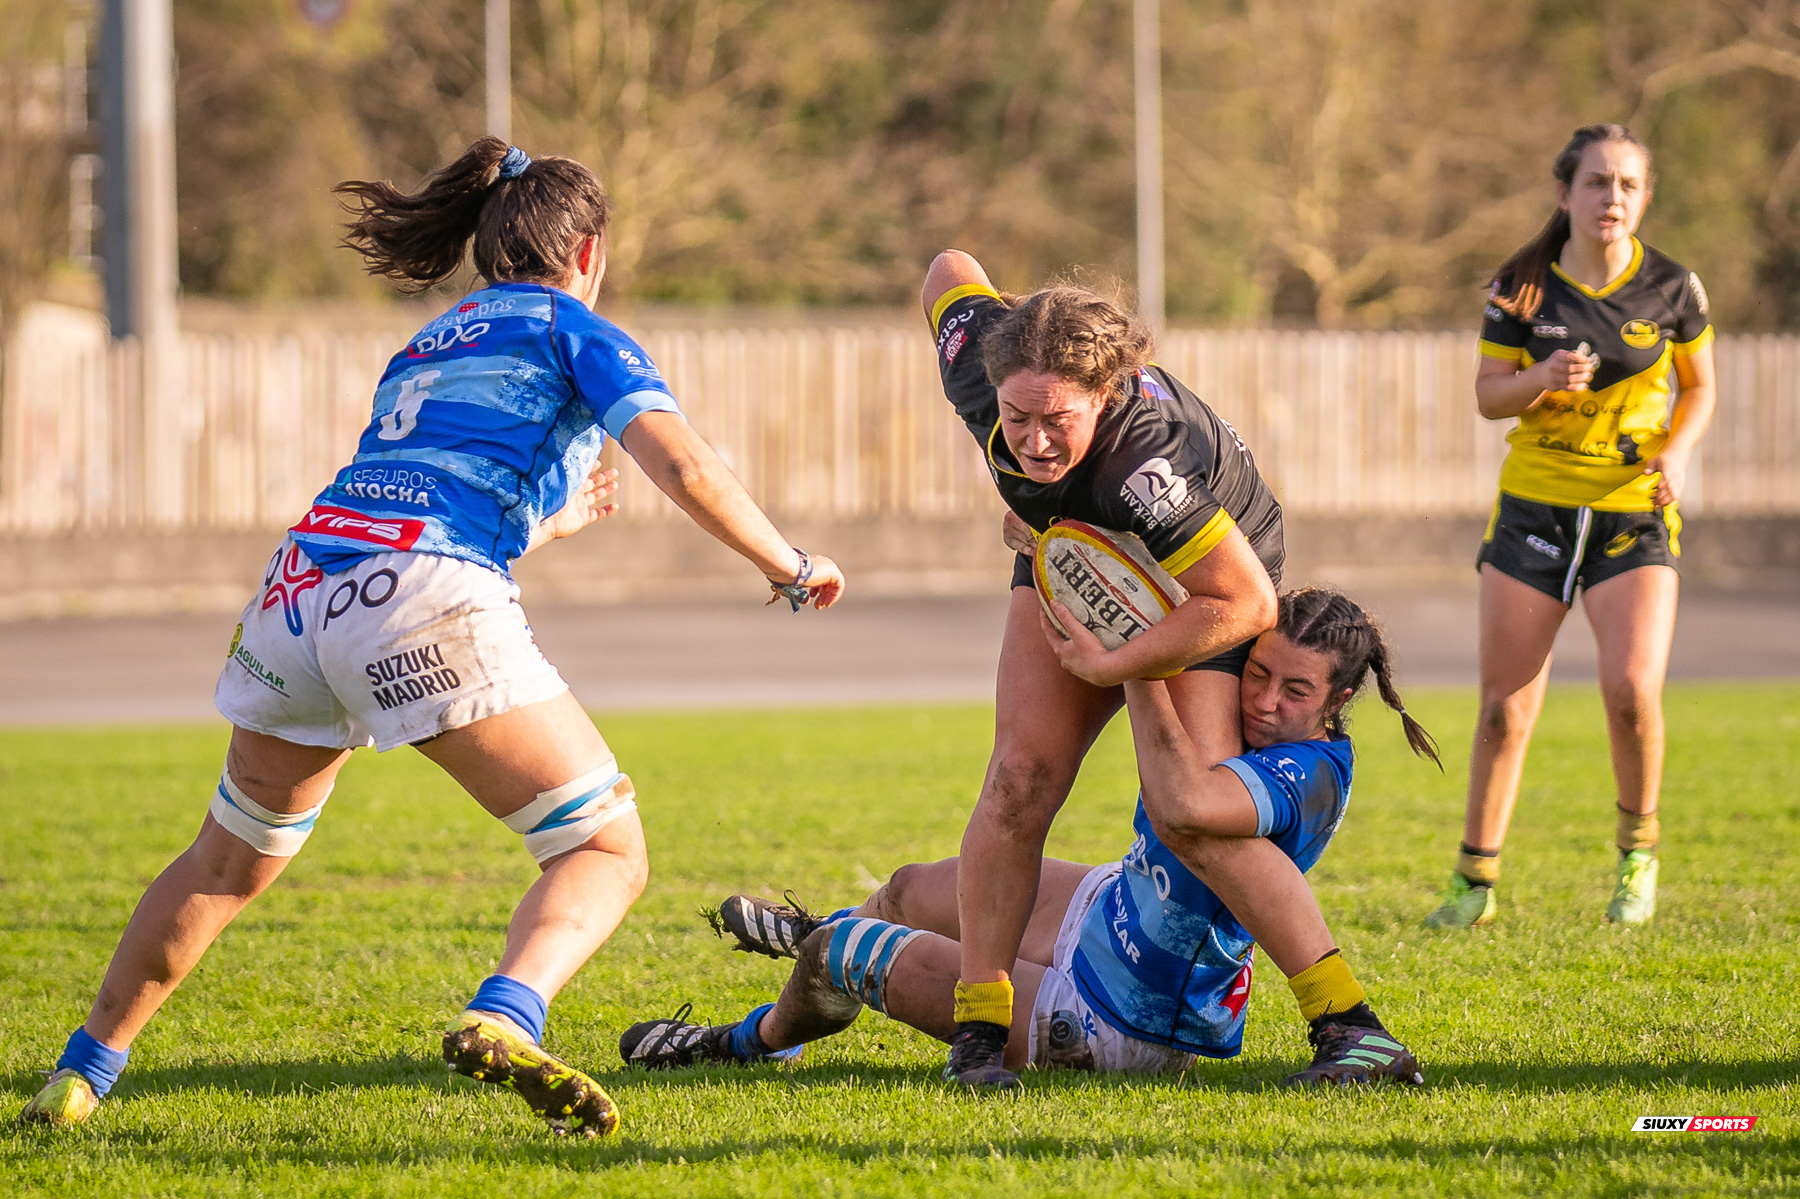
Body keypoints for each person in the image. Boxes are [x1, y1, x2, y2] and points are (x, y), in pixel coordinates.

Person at [17, 137, 844, 1134]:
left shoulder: (432, 340)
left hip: (296, 592)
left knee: (224, 859)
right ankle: (507, 1013)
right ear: (588, 253)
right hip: (416, 594)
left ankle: (81, 1073)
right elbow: (690, 467)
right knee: (603, 844)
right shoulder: (576, 328)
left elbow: (421, 496)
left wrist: (550, 522)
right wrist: (790, 564)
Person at [912, 252, 1416, 1089]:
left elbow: (1247, 602)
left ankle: (1350, 1027)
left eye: (1058, 421)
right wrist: (1043, 523)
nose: (1034, 441)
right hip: (1083, 546)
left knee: (1189, 814)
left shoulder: (1144, 463)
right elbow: (946, 271)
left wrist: (1121, 659)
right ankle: (979, 1034)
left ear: (1104, 394)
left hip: (1204, 582)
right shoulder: (980, 353)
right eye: (1017, 416)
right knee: (1018, 778)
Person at [619, 589, 1438, 1087]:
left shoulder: (1311, 769)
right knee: (909, 886)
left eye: (1294, 690)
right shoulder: (1252, 720)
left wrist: (1136, 664)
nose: (1262, 700)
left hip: (1119, 1019)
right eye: (1255, 673)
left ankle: (749, 1039)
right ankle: (835, 934)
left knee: (839, 955)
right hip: (1107, 911)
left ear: (1335, 705)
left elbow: (1182, 800)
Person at [1425, 124, 1715, 930]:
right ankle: (1473, 882)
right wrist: (1540, 379)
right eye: (1595, 183)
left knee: (1629, 691)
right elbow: (1488, 395)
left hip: (1633, 511)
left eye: (1626, 184)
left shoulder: (1674, 287)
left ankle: (1638, 855)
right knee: (1502, 709)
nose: (1610, 198)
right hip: (1535, 510)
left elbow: (1699, 389)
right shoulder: (1521, 287)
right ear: (1565, 194)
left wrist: (1679, 453)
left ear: (1644, 197)